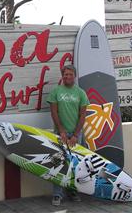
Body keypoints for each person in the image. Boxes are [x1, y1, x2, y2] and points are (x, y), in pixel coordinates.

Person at [47, 65, 89, 206]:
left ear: (74, 76)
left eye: (70, 74)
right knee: (58, 164)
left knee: (75, 164)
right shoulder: (56, 92)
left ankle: (72, 191)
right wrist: (62, 131)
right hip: (60, 134)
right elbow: (54, 112)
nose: (67, 77)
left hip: (75, 135)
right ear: (62, 76)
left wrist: (76, 135)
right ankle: (57, 194)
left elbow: (82, 115)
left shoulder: (81, 93)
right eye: (65, 74)